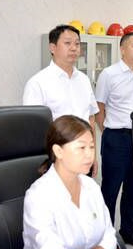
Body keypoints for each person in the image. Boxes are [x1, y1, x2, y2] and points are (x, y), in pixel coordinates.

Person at [22, 115, 133, 249]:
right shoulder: (39, 195)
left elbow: (109, 237)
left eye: (92, 147)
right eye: (81, 148)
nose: (89, 154)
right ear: (58, 151)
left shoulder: (91, 187)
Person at [94, 32, 133, 245]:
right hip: (116, 138)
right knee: (110, 188)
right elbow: (99, 107)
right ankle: (106, 237)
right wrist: (107, 130)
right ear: (122, 49)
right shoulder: (109, 74)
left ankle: (128, 231)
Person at [23, 24, 99, 174]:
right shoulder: (38, 83)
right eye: (67, 43)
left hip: (83, 158)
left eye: (77, 44)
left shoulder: (84, 80)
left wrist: (92, 155)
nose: (74, 48)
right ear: (52, 47)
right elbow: (33, 128)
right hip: (56, 159)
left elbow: (91, 118)